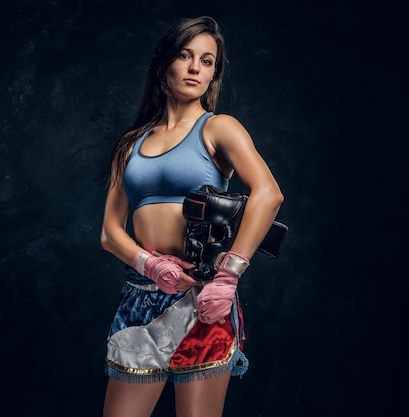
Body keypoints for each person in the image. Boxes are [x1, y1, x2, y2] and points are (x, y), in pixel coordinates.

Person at [100, 16, 284, 417]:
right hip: (141, 295)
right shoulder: (129, 145)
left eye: (207, 60)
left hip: (203, 295)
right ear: (165, 62)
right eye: (185, 56)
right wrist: (147, 263)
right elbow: (110, 232)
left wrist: (229, 274)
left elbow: (268, 194)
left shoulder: (219, 127)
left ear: (214, 72)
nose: (196, 68)